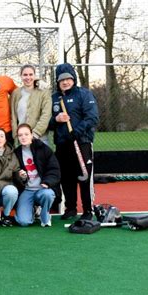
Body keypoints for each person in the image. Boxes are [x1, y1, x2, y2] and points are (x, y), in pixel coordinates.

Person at [49, 63, 99, 220]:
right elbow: (47, 123)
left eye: (68, 79)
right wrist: (56, 119)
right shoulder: (55, 98)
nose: (65, 82)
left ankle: (87, 210)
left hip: (81, 142)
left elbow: (92, 117)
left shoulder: (84, 94)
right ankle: (70, 208)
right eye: (61, 80)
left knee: (84, 177)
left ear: (73, 79)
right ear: (57, 82)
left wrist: (76, 132)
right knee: (66, 178)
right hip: (62, 144)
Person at [14, 124, 61, 227]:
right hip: (27, 190)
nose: (23, 137)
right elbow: (14, 174)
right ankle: (33, 210)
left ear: (32, 135)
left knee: (47, 195)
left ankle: (45, 216)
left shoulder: (44, 149)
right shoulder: (16, 153)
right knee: (23, 222)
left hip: (42, 189)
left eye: (26, 134)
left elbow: (54, 170)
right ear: (17, 137)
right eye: (20, 135)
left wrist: (47, 182)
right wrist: (21, 177)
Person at [11, 64, 52, 145]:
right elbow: (13, 115)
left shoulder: (43, 92)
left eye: (30, 74)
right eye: (25, 75)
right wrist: (16, 135)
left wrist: (35, 133)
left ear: (34, 76)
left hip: (40, 138)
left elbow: (46, 115)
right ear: (21, 76)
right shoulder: (16, 93)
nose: (28, 77)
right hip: (22, 138)